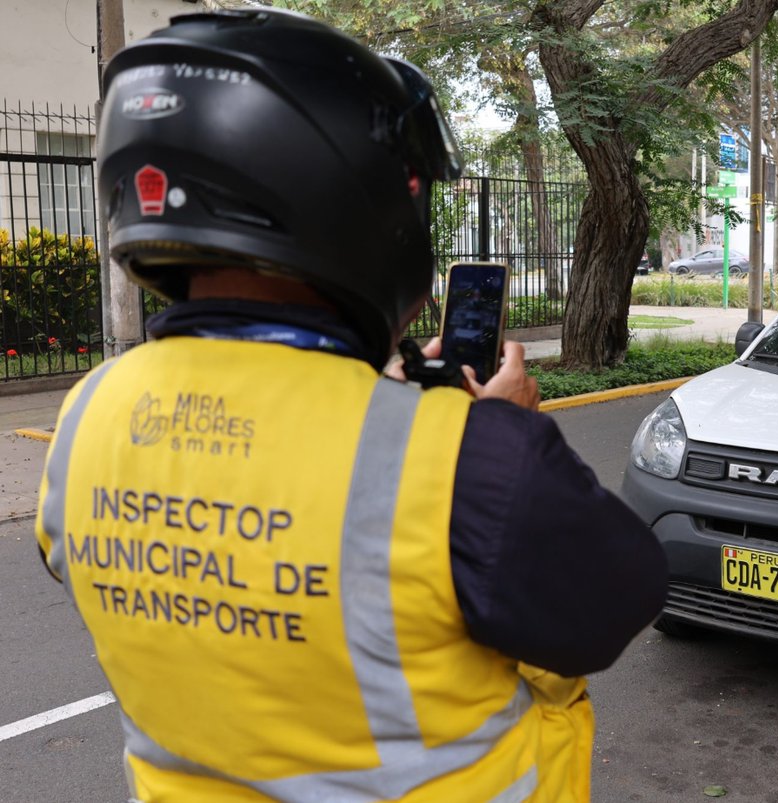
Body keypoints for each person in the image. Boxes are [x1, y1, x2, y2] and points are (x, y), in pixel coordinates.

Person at [35, 9, 666, 802]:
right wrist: (498, 428)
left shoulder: (87, 415)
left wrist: (386, 405)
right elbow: (618, 598)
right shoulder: (469, 459)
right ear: (348, 203)